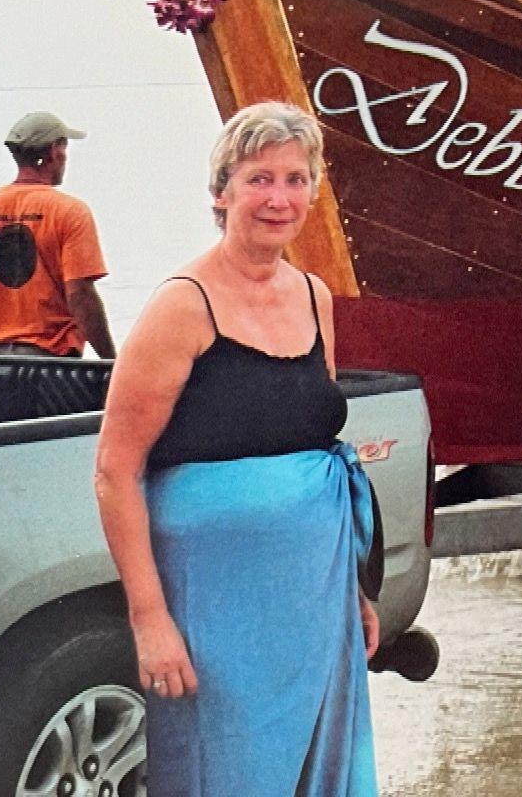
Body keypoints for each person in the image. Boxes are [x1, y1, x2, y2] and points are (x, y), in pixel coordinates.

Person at [93, 102, 379, 797]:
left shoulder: (315, 295)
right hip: (214, 605)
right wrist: (150, 619)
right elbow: (114, 472)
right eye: (258, 179)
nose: (278, 198)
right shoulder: (182, 305)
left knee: (318, 763)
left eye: (295, 178)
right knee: (226, 769)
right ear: (221, 193)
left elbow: (314, 435)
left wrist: (357, 593)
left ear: (313, 191)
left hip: (316, 594)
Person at [0, 111, 115, 358]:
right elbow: (80, 295)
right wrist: (110, 361)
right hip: (49, 365)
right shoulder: (70, 212)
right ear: (54, 151)